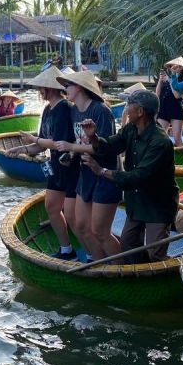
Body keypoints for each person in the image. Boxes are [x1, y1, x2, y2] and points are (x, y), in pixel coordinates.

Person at [56, 90, 177, 263]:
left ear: (140, 111)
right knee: (128, 246)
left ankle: (158, 274)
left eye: (129, 105)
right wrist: (93, 137)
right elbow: (111, 145)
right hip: (136, 201)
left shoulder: (160, 142)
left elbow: (138, 176)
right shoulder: (130, 129)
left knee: (155, 253)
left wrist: (101, 171)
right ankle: (135, 276)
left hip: (157, 205)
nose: (126, 109)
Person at [8, 66, 78, 261]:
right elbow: (42, 141)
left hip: (70, 166)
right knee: (52, 207)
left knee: (72, 216)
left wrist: (34, 140)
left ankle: (89, 253)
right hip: (55, 166)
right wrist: (22, 149)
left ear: (50, 88)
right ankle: (66, 249)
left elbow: (58, 143)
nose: (39, 92)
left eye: (41, 88)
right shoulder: (47, 109)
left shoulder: (65, 108)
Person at [57, 70, 121, 261]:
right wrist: (71, 152)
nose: (65, 89)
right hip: (85, 172)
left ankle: (120, 268)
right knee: (80, 225)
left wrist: (71, 146)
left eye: (67, 86)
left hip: (105, 174)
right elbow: (80, 140)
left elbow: (104, 148)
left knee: (101, 231)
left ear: (79, 88)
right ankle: (99, 262)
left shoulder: (101, 111)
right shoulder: (74, 110)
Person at [157, 56, 183, 145]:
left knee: (177, 139)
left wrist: (170, 81)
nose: (173, 68)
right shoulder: (167, 78)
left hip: (176, 110)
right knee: (160, 138)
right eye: (171, 67)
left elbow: (177, 96)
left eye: (176, 66)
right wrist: (160, 81)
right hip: (163, 109)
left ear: (182, 68)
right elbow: (157, 94)